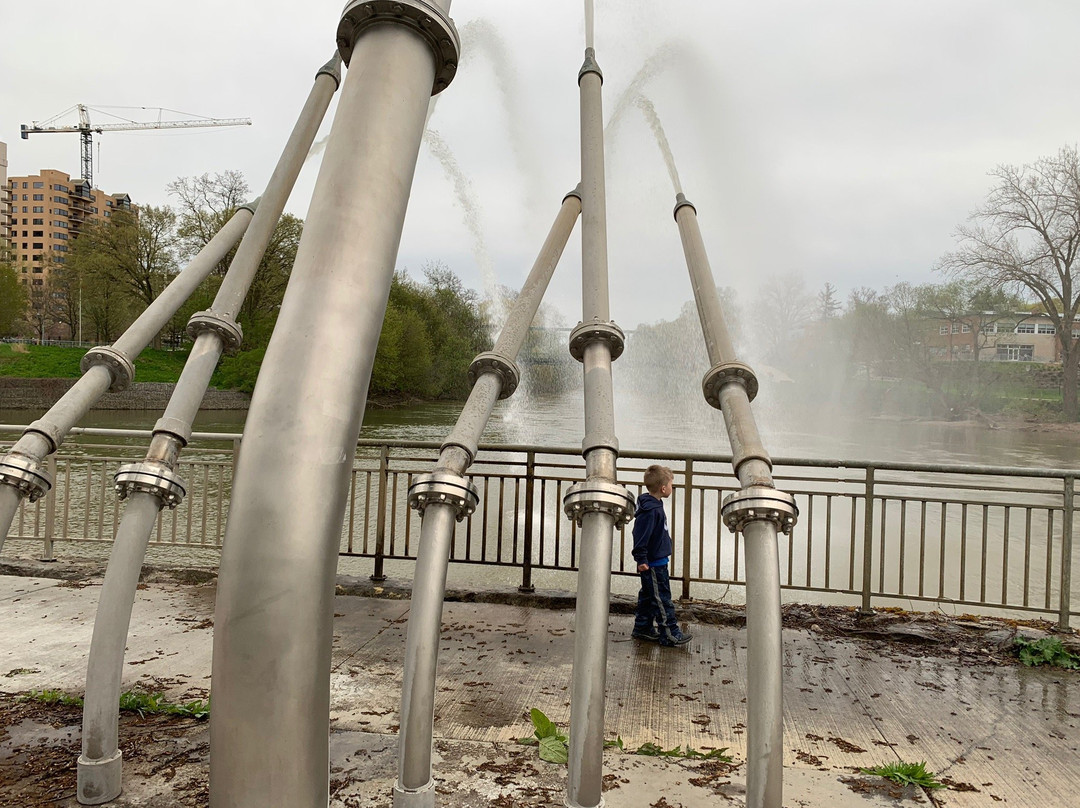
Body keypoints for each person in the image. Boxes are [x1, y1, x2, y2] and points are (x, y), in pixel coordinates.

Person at [631, 464, 692, 647]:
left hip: (657, 561)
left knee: (649, 597)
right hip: (653, 564)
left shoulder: (655, 505)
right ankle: (670, 633)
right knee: (662, 599)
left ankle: (642, 628)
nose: (672, 488)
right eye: (671, 485)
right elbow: (640, 535)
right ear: (663, 488)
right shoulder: (651, 511)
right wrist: (641, 559)